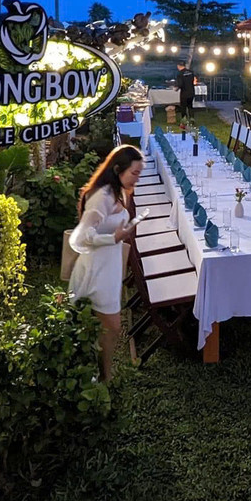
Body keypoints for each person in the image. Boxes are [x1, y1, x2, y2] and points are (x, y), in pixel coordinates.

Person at [68, 144, 144, 382]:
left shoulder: (119, 191)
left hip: (109, 267)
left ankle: (101, 376)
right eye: (134, 173)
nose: (137, 178)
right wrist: (113, 237)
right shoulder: (102, 197)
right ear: (118, 169)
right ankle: (103, 378)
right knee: (111, 325)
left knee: (107, 326)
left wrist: (122, 231)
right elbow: (80, 238)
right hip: (96, 270)